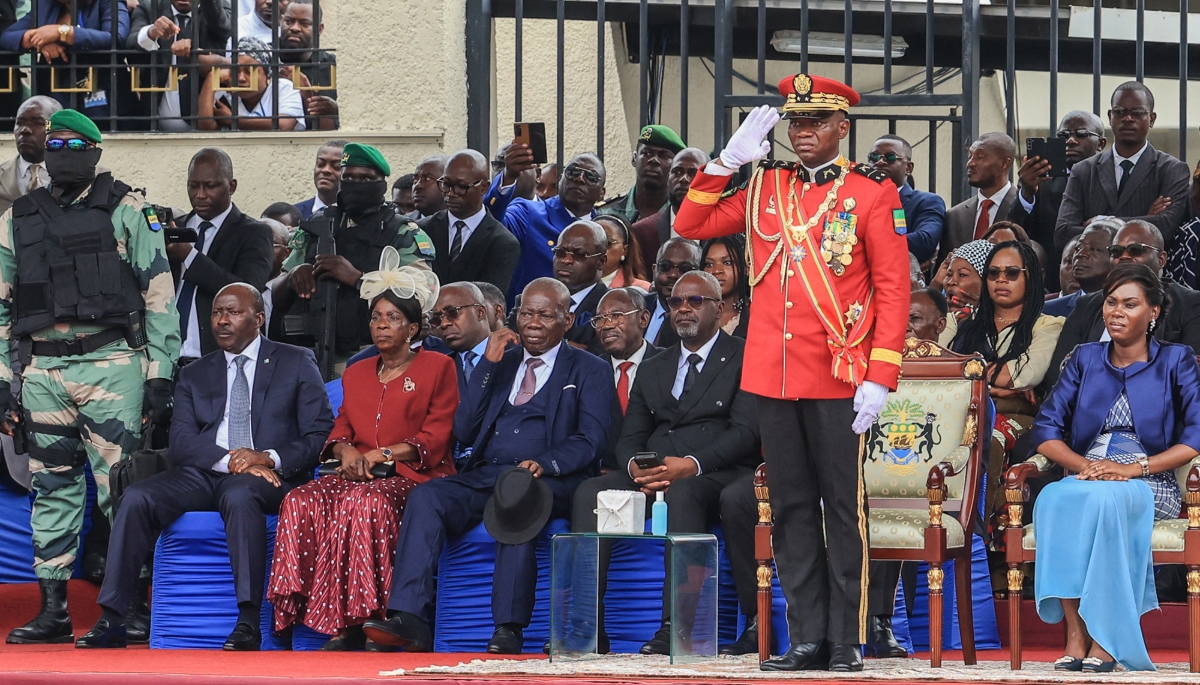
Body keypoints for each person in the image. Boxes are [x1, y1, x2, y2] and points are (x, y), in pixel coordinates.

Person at [674, 75, 910, 672]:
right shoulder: (764, 188)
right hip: (773, 374)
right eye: (795, 124)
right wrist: (726, 162)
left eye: (815, 123)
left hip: (840, 372)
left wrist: (881, 373)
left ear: (841, 128)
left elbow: (893, 290)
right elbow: (689, 225)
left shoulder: (872, 193)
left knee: (842, 507)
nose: (802, 133)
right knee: (790, 506)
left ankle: (846, 637)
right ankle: (806, 635)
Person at [1, 111, 179, 645]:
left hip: (111, 365)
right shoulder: (18, 218)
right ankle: (53, 609)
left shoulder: (128, 209)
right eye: (54, 144)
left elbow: (159, 299)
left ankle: (132, 607)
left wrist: (159, 375)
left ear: (96, 153)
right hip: (42, 369)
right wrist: (5, 380)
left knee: (119, 489)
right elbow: (2, 307)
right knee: (50, 487)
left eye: (75, 145)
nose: (62, 153)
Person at [362, 278, 613, 654]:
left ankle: (508, 628)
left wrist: (544, 463)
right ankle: (410, 619)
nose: (533, 322)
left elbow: (592, 439)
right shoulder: (503, 360)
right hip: (488, 471)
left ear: (567, 319)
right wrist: (487, 366)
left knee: (517, 498)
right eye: (526, 312)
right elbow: (463, 428)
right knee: (428, 497)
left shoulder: (589, 368)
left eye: (545, 315)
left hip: (551, 478)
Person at [75, 283, 332, 650]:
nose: (222, 320)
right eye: (216, 313)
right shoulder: (195, 372)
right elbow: (181, 442)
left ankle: (247, 621)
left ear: (258, 319)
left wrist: (267, 457)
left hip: (269, 476)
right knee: (136, 497)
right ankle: (114, 617)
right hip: (208, 470)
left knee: (241, 494)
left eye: (233, 312)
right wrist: (231, 461)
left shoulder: (295, 360)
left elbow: (319, 432)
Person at [570, 271, 759, 654]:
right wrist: (635, 467)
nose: (684, 309)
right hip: (656, 469)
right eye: (675, 302)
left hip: (715, 470)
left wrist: (690, 464)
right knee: (591, 491)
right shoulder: (656, 363)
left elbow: (745, 433)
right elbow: (632, 435)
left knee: (684, 493)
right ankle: (588, 626)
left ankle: (678, 626)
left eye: (695, 301)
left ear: (719, 309)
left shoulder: (743, 355)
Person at [269, 263, 455, 650]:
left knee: (364, 502)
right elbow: (340, 428)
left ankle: (371, 620)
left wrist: (381, 454)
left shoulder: (438, 367)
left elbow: (436, 436)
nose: (382, 325)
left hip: (412, 476)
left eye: (393, 318)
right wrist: (345, 449)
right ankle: (308, 615)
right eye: (376, 317)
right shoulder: (356, 371)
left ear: (413, 329)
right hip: (356, 473)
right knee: (300, 499)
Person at [1030, 264, 1200, 672]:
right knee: (1054, 498)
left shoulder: (1176, 361)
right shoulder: (1085, 359)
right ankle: (1075, 632)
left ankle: (1107, 637)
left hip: (1149, 478)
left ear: (1154, 312)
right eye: (1111, 303)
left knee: (1104, 504)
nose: (1116, 311)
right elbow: (1046, 429)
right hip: (1090, 473)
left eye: (1130, 304)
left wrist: (1133, 468)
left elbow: (1196, 435)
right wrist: (1084, 464)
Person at [272, 143, 434, 376]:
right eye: (349, 177)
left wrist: (358, 279)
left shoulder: (404, 233)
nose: (356, 185)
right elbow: (276, 295)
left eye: (366, 179)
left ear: (382, 184)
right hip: (307, 359)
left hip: (372, 357)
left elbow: (418, 301)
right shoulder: (316, 224)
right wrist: (294, 277)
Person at [951, 241, 1064, 516]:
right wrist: (998, 384)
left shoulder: (1047, 325)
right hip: (958, 410)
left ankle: (974, 531)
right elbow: (944, 370)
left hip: (1017, 417)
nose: (1001, 279)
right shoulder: (960, 321)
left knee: (985, 439)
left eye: (1012, 272)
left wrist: (976, 377)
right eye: (993, 273)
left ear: (1030, 277)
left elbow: (1027, 375)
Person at [1045, 220, 1200, 390]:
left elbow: (1189, 378)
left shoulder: (1190, 304)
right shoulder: (1087, 305)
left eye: (1136, 250)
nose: (1124, 256)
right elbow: (1057, 373)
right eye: (1116, 251)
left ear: (1161, 259)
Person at [1056, 83, 1190, 251]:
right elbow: (1063, 233)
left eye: (1137, 112)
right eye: (1119, 112)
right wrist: (1144, 221)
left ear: (1152, 119)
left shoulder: (1172, 169)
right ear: (1110, 116)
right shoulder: (1083, 170)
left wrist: (1101, 221)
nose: (1127, 118)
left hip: (1144, 273)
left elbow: (1166, 227)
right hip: (1094, 275)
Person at [169, 148, 274, 363]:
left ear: (231, 186)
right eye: (193, 186)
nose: (200, 195)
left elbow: (247, 293)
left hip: (219, 359)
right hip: (166, 359)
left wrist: (190, 257)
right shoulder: (175, 230)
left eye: (210, 186)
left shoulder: (253, 233)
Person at [486, 149, 606, 306]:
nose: (579, 178)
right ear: (561, 178)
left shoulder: (606, 227)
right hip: (530, 319)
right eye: (572, 171)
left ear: (602, 193)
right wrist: (508, 178)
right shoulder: (528, 212)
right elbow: (490, 225)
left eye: (591, 176)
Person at [1009, 111, 1106, 291]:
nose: (1070, 140)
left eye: (1081, 134)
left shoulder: (1112, 180)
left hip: (1101, 285)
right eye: (1064, 135)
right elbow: (1018, 232)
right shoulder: (1041, 182)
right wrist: (1027, 193)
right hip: (1052, 284)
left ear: (1101, 144)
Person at [0, 0, 131, 128]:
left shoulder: (107, 2)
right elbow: (7, 36)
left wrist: (62, 32)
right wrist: (40, 40)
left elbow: (116, 37)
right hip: (57, 93)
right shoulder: (44, 5)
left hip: (101, 97)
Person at [419, 149, 520, 296]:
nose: (451, 193)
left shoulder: (503, 242)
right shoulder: (423, 229)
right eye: (446, 184)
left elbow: (488, 299)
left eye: (461, 187)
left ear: (484, 187)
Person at [127, 0, 231, 131]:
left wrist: (194, 52)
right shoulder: (150, 7)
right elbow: (131, 43)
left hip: (205, 126)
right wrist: (151, 32)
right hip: (154, 126)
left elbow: (224, 28)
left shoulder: (217, 7)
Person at [590, 287, 659, 472]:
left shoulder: (669, 364)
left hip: (657, 473)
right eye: (599, 319)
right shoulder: (589, 371)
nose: (606, 325)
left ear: (643, 319)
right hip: (601, 474)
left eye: (617, 315)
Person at [939, 133, 1017, 265]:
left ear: (1004, 164)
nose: (970, 163)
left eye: (980, 157)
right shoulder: (955, 216)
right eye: (970, 156)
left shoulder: (1023, 207)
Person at [198, 36, 306, 132]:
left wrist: (233, 119)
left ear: (267, 74)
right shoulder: (227, 95)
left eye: (249, 72)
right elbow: (206, 127)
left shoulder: (283, 88)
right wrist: (211, 77)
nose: (241, 78)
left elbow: (283, 125)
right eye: (236, 71)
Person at [631, 147, 710, 277]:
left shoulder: (725, 233)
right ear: (668, 179)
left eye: (693, 173)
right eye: (677, 172)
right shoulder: (642, 232)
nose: (683, 179)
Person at [869, 134, 945, 263]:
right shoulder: (856, 200)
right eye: (874, 157)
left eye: (890, 157)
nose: (880, 162)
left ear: (908, 168)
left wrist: (866, 242)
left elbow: (924, 241)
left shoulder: (926, 201)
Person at [543, 220, 608, 356]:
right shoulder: (532, 298)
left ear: (601, 261)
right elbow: (512, 344)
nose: (566, 260)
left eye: (579, 255)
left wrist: (540, 342)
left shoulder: (611, 308)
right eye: (560, 252)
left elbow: (596, 358)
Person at [597, 125, 686, 224]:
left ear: (675, 166)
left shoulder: (684, 213)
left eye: (664, 156)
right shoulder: (605, 212)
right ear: (634, 158)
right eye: (647, 153)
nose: (654, 160)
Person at [279, 0, 337, 131]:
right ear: (280, 21)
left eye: (304, 23)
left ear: (319, 29)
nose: (294, 28)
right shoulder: (264, 58)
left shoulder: (332, 67)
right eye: (289, 21)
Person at [1045, 220, 1118, 318]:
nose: (1080, 254)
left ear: (1116, 257)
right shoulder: (1048, 311)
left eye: (1094, 249)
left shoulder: (1131, 310)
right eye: (1078, 248)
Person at [0, 97, 61, 215]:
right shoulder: (2, 176)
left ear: (57, 129)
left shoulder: (84, 178)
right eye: (20, 123)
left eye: (38, 123)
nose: (25, 130)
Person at [644, 238, 701, 349]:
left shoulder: (705, 316)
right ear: (654, 270)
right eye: (665, 267)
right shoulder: (637, 306)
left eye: (685, 269)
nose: (673, 275)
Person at [701, 235, 750, 338]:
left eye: (727, 263)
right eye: (709, 264)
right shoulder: (688, 311)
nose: (716, 271)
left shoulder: (758, 316)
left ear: (746, 268)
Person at [595, 214, 650, 291]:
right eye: (590, 243)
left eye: (607, 243)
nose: (597, 249)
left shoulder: (641, 289)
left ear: (624, 250)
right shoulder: (573, 286)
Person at [295, 140, 345, 220]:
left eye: (336, 166)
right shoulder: (294, 215)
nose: (326, 170)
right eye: (320, 164)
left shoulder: (357, 216)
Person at [408, 155, 447, 221]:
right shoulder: (401, 225)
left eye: (428, 178)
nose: (418, 186)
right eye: (416, 180)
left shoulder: (460, 225)